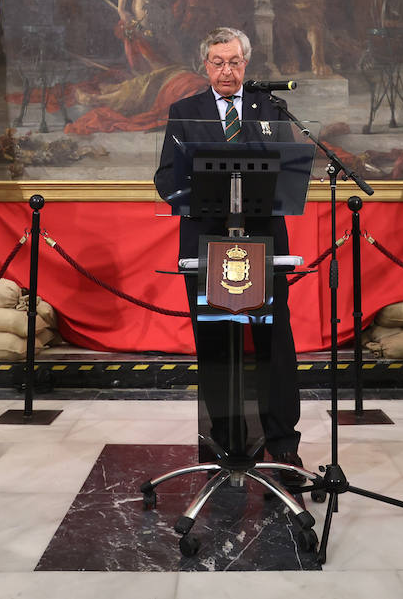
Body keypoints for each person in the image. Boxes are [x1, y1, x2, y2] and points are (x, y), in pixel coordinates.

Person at [153, 26, 303, 483]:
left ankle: (283, 446)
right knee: (216, 344)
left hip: (263, 241)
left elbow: (290, 168)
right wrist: (202, 193)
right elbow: (165, 179)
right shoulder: (186, 112)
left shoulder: (269, 108)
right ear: (205, 65)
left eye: (234, 62)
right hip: (207, 242)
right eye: (218, 62)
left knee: (274, 343)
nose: (226, 70)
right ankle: (225, 441)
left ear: (246, 64)